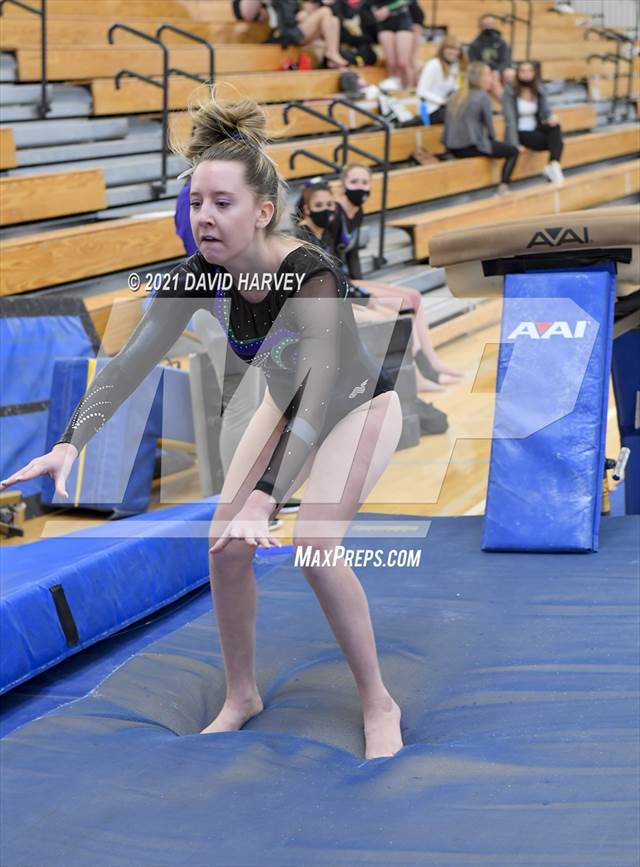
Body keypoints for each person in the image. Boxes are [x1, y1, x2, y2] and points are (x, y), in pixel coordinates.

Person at [1, 92, 405, 760]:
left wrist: (266, 495)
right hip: (289, 399)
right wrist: (69, 440)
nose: (205, 216)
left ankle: (378, 701)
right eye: (196, 203)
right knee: (224, 545)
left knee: (314, 545)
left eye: (223, 203)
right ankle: (242, 693)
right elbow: (129, 362)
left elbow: (326, 389)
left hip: (354, 401)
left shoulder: (310, 272)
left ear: (263, 210)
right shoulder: (196, 277)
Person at [334, 163, 464, 387]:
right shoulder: (334, 214)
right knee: (402, 304)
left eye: (364, 182)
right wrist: (362, 292)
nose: (360, 187)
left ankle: (432, 361)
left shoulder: (357, 212)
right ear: (343, 184)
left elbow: (352, 253)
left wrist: (365, 282)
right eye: (354, 182)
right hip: (338, 283)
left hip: (350, 278)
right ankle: (418, 376)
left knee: (414, 295)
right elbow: (329, 261)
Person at [443, 61, 520, 195]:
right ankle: (504, 186)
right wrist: (492, 142)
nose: (492, 78)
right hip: (469, 146)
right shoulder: (482, 96)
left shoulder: (455, 95)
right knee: (513, 151)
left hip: (451, 147)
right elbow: (490, 128)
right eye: (489, 74)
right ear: (481, 77)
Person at [502, 60, 565, 185]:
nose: (526, 74)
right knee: (558, 143)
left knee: (556, 128)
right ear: (517, 73)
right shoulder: (510, 91)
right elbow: (510, 120)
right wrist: (514, 143)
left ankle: (553, 165)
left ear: (534, 73)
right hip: (520, 132)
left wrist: (551, 118)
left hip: (535, 129)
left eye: (529, 71)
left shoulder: (539, 89)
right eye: (522, 71)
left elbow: (545, 112)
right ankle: (552, 168)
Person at [416, 35, 466, 125]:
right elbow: (421, 91)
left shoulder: (454, 67)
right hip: (430, 109)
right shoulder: (434, 64)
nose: (453, 52)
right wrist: (442, 101)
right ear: (442, 50)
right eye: (449, 49)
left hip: (444, 108)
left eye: (456, 49)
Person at [370, 0, 416, 89]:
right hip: (384, 22)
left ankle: (410, 88)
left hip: (402, 20)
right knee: (391, 63)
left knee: (403, 62)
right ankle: (395, 87)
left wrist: (389, 8)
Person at [467, 13, 513, 99]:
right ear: (481, 26)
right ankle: (506, 104)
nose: (488, 27)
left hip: (498, 72)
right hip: (483, 71)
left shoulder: (502, 42)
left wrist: (498, 71)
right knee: (492, 81)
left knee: (509, 73)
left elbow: (506, 60)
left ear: (495, 25)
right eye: (486, 24)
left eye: (490, 24)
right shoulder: (475, 44)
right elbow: (474, 62)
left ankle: (509, 102)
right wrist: (487, 72)